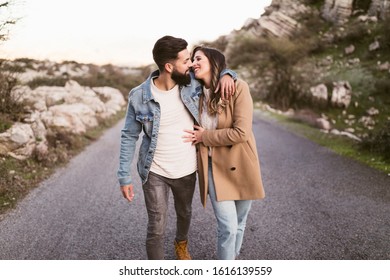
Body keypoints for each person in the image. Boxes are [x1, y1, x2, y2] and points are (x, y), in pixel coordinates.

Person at [117, 36, 237, 260]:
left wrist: (229, 74)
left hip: (187, 168)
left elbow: (217, 71)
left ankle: (181, 243)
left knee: (185, 213)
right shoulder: (139, 96)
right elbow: (128, 136)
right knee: (156, 224)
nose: (191, 64)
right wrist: (124, 176)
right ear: (169, 66)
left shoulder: (191, 82)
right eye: (186, 60)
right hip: (155, 171)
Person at [183, 46, 265, 260]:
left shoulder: (238, 87)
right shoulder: (193, 92)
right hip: (212, 167)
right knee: (228, 226)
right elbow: (170, 74)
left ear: (213, 62)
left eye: (198, 58)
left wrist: (205, 137)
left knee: (239, 223)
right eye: (192, 60)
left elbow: (241, 132)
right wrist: (229, 72)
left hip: (241, 162)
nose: (193, 63)